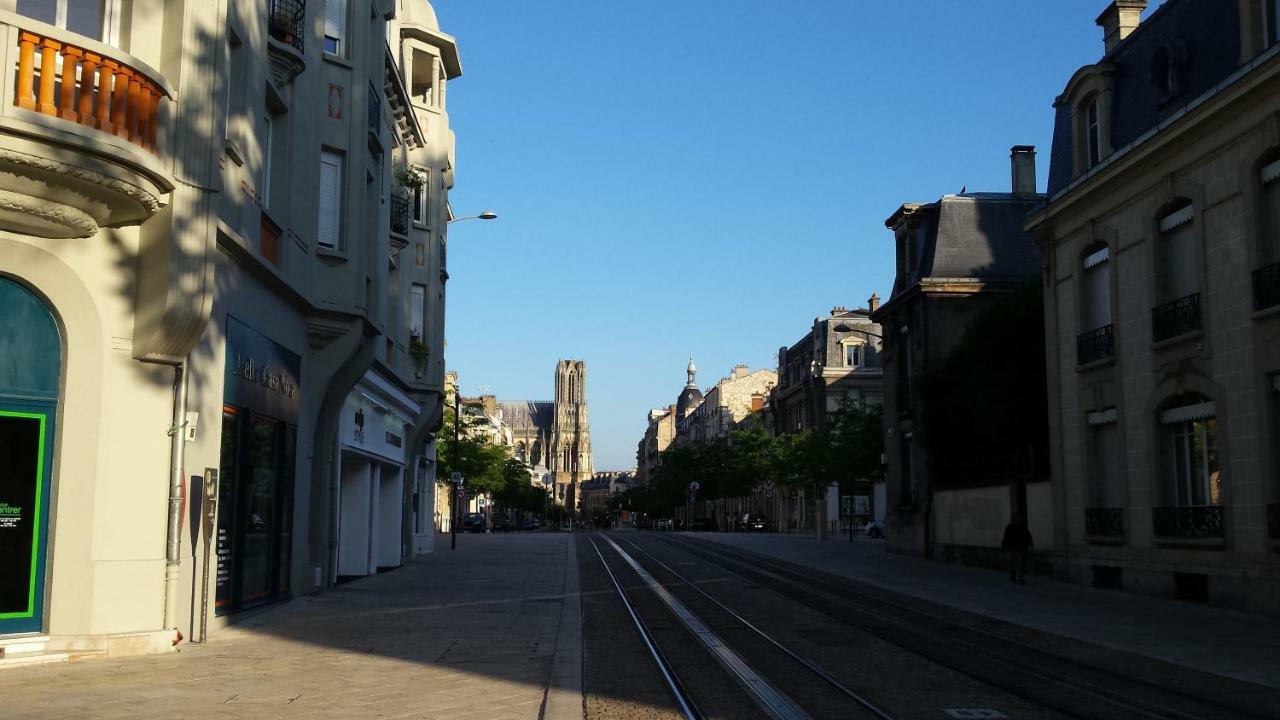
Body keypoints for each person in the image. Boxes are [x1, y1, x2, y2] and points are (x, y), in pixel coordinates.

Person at [1001, 513, 1034, 584]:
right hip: (1012, 547)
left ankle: (1018, 576)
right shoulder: (1009, 527)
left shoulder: (1023, 527)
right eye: (1018, 519)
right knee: (1014, 562)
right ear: (1014, 519)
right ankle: (1016, 575)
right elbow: (1006, 537)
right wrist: (1004, 546)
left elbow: (1028, 535)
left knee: (1020, 562)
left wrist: (1031, 544)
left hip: (1021, 547)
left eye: (1020, 519)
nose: (1019, 520)